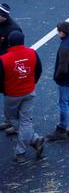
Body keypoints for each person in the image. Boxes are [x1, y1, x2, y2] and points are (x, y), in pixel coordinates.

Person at [1, 30, 45, 163]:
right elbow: (39, 70)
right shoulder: (32, 53)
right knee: (26, 121)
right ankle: (33, 139)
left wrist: (4, 90)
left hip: (12, 94)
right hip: (29, 92)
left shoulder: (3, 59)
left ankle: (23, 150)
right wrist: (32, 83)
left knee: (12, 118)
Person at [0, 4, 20, 136]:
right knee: (5, 94)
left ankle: (15, 123)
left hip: (8, 66)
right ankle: (9, 119)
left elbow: (17, 51)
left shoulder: (14, 30)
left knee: (12, 96)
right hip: (1, 64)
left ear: (4, 17)